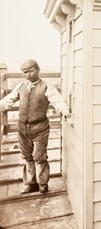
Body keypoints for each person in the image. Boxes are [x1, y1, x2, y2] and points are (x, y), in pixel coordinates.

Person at [0, 59, 71, 194]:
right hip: (22, 128)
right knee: (27, 156)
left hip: (40, 128)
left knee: (40, 156)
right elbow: (7, 101)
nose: (28, 75)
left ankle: (42, 183)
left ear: (38, 70)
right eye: (25, 72)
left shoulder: (46, 86)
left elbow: (58, 101)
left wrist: (64, 110)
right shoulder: (20, 86)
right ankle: (30, 183)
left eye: (30, 71)